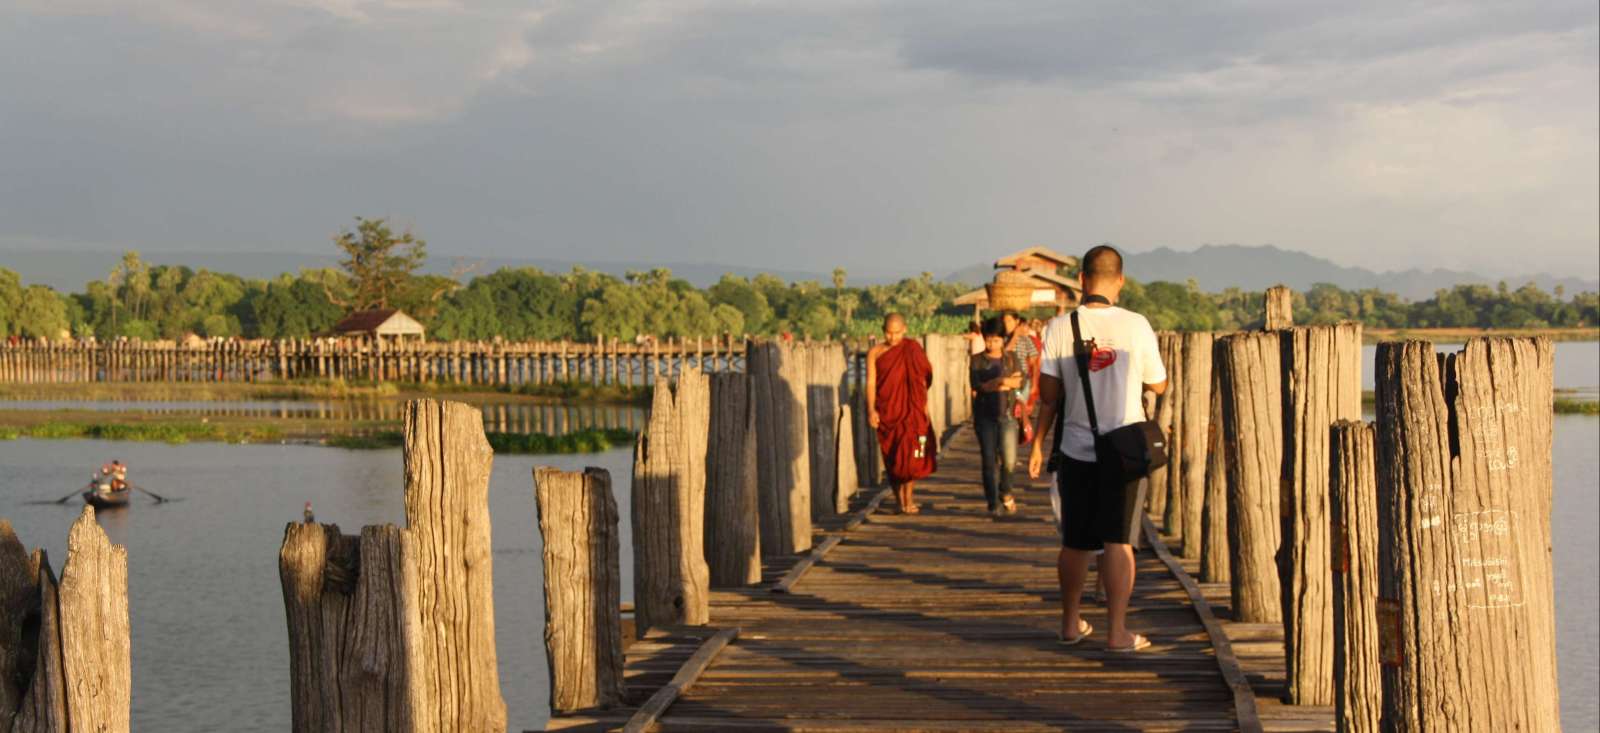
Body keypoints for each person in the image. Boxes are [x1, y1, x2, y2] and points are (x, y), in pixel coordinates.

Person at [1028, 244, 1167, 653]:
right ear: (1120, 281)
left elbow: (1049, 396)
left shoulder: (1058, 327)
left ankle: (1070, 625)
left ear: (1082, 281)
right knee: (1118, 541)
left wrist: (1037, 444)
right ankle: (1117, 632)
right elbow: (1158, 384)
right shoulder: (1136, 325)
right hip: (1124, 450)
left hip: (1076, 449)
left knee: (1075, 542)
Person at [866, 313, 936, 514]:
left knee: (911, 455)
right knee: (893, 458)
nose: (893, 338)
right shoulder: (875, 353)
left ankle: (909, 499)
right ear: (883, 330)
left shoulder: (912, 349)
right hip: (888, 411)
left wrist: (924, 408)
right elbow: (871, 383)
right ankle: (899, 499)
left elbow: (924, 378)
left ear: (904, 329)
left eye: (897, 333)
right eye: (889, 333)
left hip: (911, 411)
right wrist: (871, 409)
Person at [970, 318, 1023, 516]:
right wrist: (1002, 382)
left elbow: (1020, 383)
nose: (992, 344)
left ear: (1003, 339)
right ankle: (992, 502)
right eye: (989, 340)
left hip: (1007, 415)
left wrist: (1000, 382)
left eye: (996, 340)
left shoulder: (1011, 358)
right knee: (988, 460)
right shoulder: (976, 360)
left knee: (1009, 460)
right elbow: (978, 386)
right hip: (985, 417)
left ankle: (1005, 491)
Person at [1002, 310, 1043, 444]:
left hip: (1022, 381)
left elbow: (1034, 362)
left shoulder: (1026, 340)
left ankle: (1015, 442)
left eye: (1009, 321)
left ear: (1016, 322)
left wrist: (1035, 383)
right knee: (1007, 412)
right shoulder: (1002, 339)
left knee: (1018, 411)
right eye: (1004, 321)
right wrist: (1014, 336)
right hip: (1005, 382)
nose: (1006, 324)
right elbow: (1005, 352)